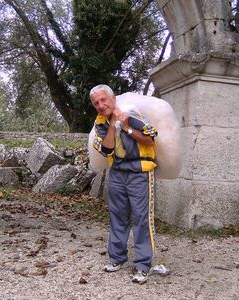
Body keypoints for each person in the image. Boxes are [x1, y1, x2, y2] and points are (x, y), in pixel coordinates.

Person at [89, 84, 158, 284]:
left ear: (113, 99)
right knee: (117, 216)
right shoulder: (100, 123)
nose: (101, 105)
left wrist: (126, 126)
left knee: (141, 218)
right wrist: (113, 125)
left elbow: (151, 140)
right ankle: (117, 258)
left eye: (104, 100)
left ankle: (144, 265)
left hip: (140, 171)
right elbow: (106, 150)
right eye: (96, 103)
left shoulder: (133, 112)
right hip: (118, 172)